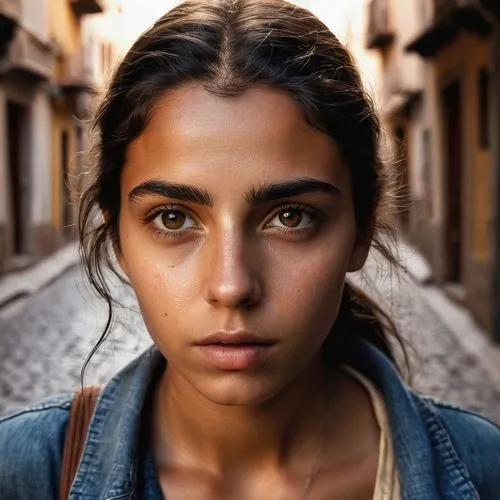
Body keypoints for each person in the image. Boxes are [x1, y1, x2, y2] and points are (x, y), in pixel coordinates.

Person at [1, 0, 499, 498]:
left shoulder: (485, 471)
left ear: (362, 230)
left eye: (291, 217)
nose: (231, 285)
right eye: (172, 218)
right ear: (118, 242)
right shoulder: (24, 473)